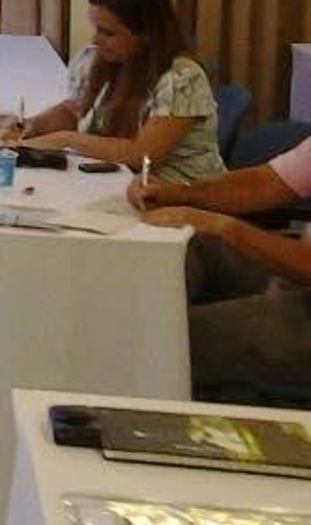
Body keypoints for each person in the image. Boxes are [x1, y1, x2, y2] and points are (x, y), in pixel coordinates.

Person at [0, 0, 224, 182]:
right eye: (96, 29)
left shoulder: (182, 78)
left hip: (183, 194)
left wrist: (66, 140)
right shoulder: (105, 62)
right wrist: (32, 125)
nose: (95, 40)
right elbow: (75, 109)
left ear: (146, 33)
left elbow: (140, 156)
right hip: (124, 183)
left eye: (108, 33)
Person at [130, 134, 311, 393]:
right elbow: (261, 183)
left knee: (165, 337)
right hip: (298, 273)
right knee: (188, 244)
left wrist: (224, 227)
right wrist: (180, 193)